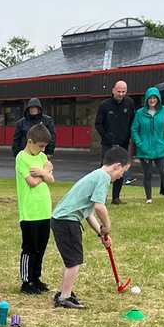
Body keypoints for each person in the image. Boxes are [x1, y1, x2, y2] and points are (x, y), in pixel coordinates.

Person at [49, 147, 130, 310]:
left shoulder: (96, 175)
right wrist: (107, 225)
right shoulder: (103, 178)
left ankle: (65, 292)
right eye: (123, 171)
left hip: (62, 220)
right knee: (74, 261)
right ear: (117, 165)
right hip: (67, 222)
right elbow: (99, 207)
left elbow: (89, 212)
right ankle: (64, 298)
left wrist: (101, 233)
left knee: (71, 260)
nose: (122, 176)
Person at [16, 123, 56, 295]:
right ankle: (27, 280)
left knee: (41, 246)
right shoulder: (22, 158)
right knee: (29, 248)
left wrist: (43, 171)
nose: (42, 150)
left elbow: (52, 180)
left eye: (44, 147)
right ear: (30, 141)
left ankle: (36, 277)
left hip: (44, 210)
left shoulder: (41, 158)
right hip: (30, 212)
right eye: (40, 146)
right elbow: (31, 182)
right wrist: (44, 172)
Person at [130, 86, 164, 203]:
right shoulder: (140, 113)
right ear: (146, 99)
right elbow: (134, 129)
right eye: (150, 98)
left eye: (154, 98)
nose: (152, 100)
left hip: (160, 148)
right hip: (144, 149)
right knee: (148, 174)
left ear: (158, 99)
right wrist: (140, 144)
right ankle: (149, 197)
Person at [94, 81, 136, 204]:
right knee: (105, 170)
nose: (121, 94)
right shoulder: (104, 105)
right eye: (119, 91)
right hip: (108, 144)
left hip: (123, 143)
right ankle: (100, 197)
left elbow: (131, 122)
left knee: (121, 170)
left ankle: (116, 198)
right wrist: (107, 137)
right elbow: (98, 124)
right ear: (113, 90)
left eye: (123, 91)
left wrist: (127, 136)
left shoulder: (129, 103)